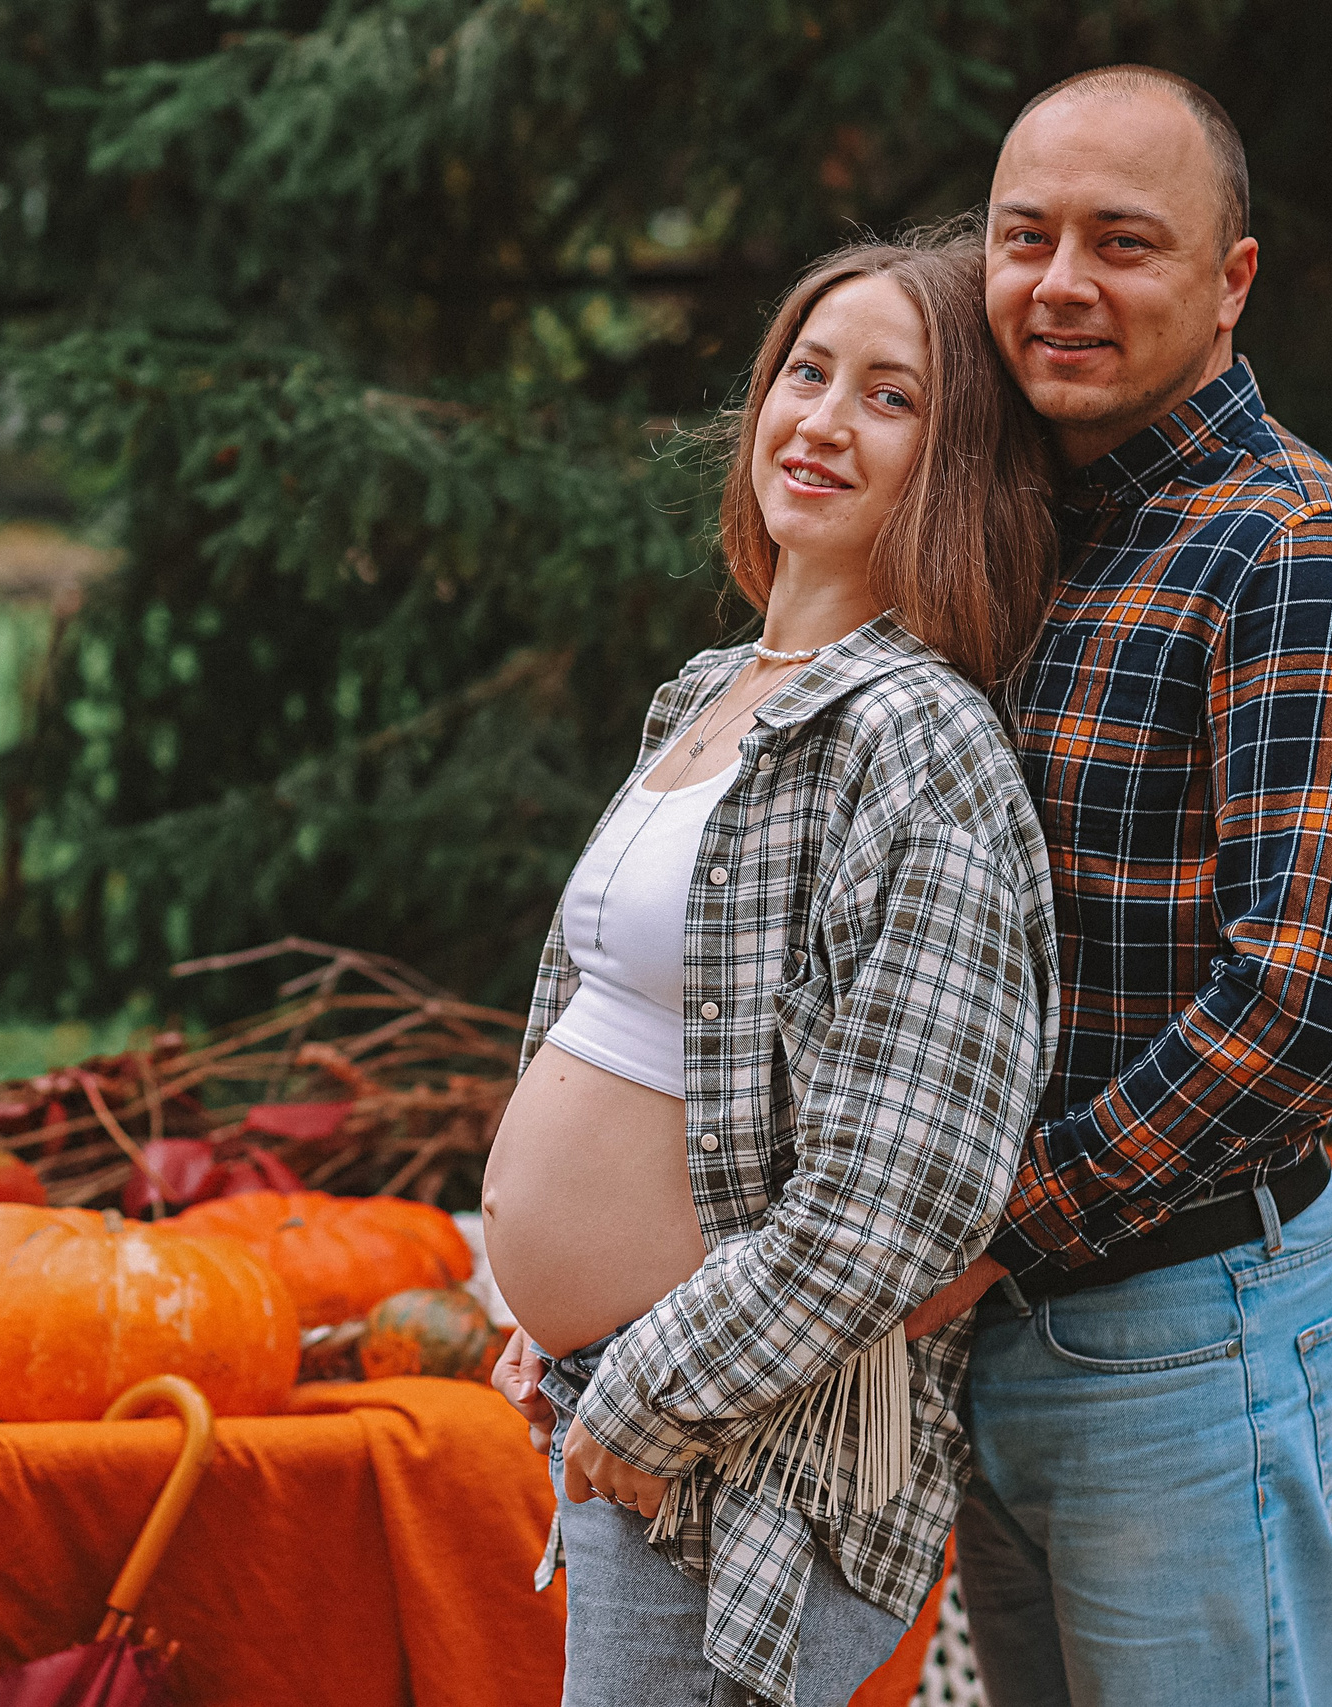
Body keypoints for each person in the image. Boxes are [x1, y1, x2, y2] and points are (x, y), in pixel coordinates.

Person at [902, 65, 1332, 1707]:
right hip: (1009, 1329)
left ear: (1231, 282)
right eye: (1024, 237)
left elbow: (1307, 1003)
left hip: (1186, 1330)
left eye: (1123, 243)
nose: (1060, 286)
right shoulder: (1000, 536)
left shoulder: (1297, 552)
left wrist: (997, 1228)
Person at [483, 229, 1062, 1707]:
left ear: (956, 462)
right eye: (805, 373)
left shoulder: (919, 742)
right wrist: (535, 1313)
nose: (819, 420)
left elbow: (910, 1191)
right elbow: (612, 1024)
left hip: (738, 1447)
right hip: (619, 1392)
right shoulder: (712, 691)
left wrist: (656, 1381)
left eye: (889, 397)